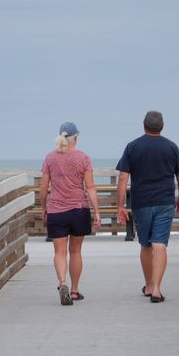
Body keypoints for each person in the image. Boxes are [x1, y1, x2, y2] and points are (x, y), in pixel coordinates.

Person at [115, 111, 179, 303]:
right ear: (162, 126)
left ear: (144, 125)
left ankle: (148, 285)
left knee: (146, 244)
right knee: (160, 243)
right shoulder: (172, 147)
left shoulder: (133, 147)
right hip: (165, 202)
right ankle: (156, 288)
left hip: (142, 203)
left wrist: (120, 205)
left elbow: (123, 177)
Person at [40, 121, 101, 306]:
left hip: (57, 211)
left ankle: (62, 283)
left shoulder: (50, 158)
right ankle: (74, 291)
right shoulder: (83, 158)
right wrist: (97, 212)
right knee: (75, 251)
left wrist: (44, 208)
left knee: (59, 252)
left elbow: (43, 188)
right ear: (76, 137)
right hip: (78, 210)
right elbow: (90, 188)